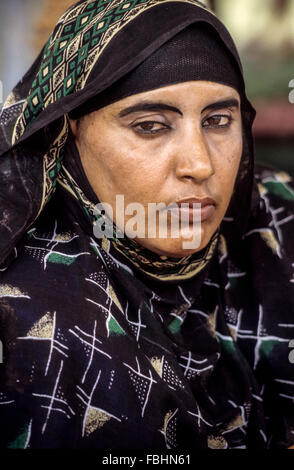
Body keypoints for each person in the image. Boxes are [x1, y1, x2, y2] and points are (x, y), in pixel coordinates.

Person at [0, 0, 293, 450]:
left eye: (218, 120)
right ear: (67, 132)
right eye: (151, 126)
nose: (199, 164)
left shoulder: (277, 223)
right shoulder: (25, 318)